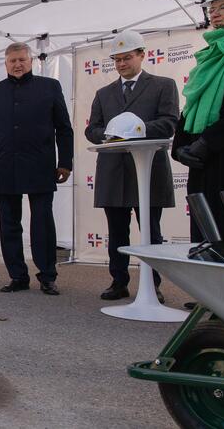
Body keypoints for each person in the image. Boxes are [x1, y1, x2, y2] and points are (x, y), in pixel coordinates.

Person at [0, 42, 73, 295]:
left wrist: (66, 162)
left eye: (22, 60)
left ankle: (47, 276)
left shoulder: (50, 87)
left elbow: (64, 128)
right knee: (9, 224)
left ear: (31, 61)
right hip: (5, 166)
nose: (17, 64)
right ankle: (17, 276)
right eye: (12, 61)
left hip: (41, 165)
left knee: (42, 223)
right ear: (5, 64)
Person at [85, 30, 178, 303]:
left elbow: (169, 121)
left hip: (149, 170)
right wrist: (109, 134)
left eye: (127, 58)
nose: (122, 64)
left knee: (151, 231)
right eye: (117, 60)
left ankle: (152, 283)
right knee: (117, 232)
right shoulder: (103, 93)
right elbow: (93, 129)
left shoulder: (163, 85)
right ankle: (119, 281)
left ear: (142, 55)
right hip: (113, 171)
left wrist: (133, 130)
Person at [173, 0, 224, 245]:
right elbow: (191, 106)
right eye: (211, 8)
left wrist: (207, 143)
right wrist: (181, 146)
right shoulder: (210, 55)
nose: (214, 13)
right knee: (205, 240)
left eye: (223, 6)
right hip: (203, 161)